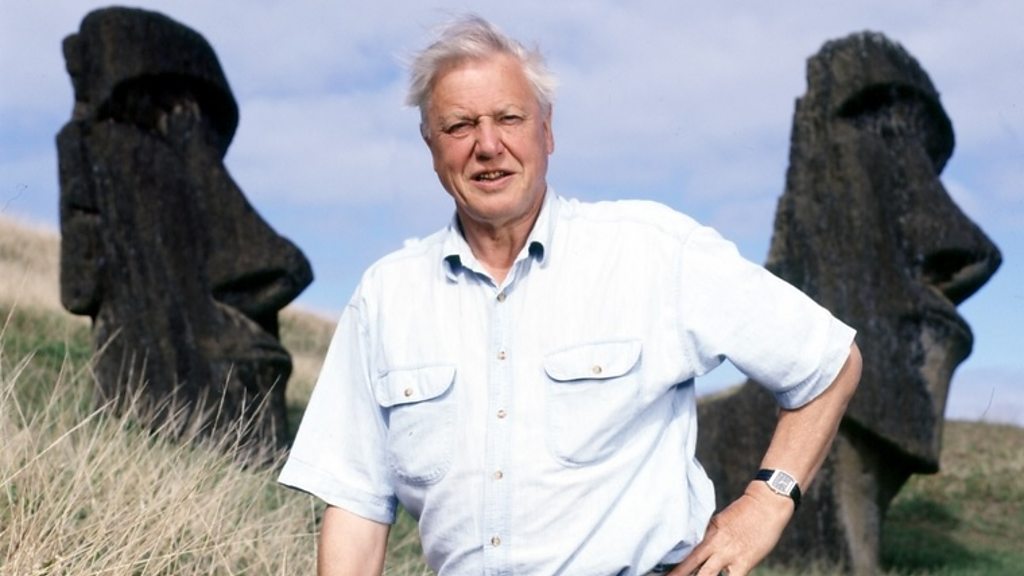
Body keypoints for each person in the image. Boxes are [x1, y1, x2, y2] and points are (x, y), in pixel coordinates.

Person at [279, 14, 862, 576]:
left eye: (509, 118)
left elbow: (828, 362)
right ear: (430, 143)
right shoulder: (386, 297)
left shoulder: (653, 251)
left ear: (547, 129)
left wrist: (764, 506)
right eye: (459, 126)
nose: (488, 145)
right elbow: (356, 506)